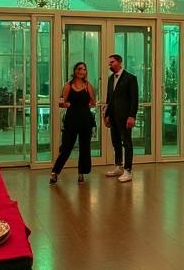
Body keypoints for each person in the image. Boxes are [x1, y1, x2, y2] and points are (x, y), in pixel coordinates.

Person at [50, 61, 96, 184]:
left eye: (84, 69)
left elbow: (93, 102)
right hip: (71, 119)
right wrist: (65, 104)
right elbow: (60, 102)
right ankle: (55, 172)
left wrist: (87, 105)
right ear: (75, 71)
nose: (81, 71)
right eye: (79, 69)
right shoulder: (68, 85)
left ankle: (81, 173)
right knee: (66, 147)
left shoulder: (88, 86)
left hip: (85, 119)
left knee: (85, 147)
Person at [104, 53, 138, 183]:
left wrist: (132, 116)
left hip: (125, 117)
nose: (110, 64)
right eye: (109, 62)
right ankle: (118, 166)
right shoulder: (110, 79)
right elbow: (109, 99)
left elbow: (134, 99)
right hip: (113, 117)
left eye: (112, 62)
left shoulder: (130, 78)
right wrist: (107, 115)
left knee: (127, 143)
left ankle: (128, 170)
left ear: (119, 62)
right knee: (116, 142)